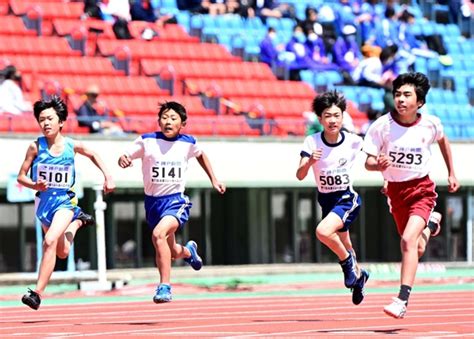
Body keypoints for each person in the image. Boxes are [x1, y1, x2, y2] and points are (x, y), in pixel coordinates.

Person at [363, 72, 460, 318]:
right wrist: (379, 165)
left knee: (406, 241)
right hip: (396, 193)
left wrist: (452, 173)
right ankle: (431, 224)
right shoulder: (381, 126)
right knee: (415, 248)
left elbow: (443, 141)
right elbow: (369, 162)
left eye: (407, 95)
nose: (401, 99)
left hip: (422, 190)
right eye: (397, 94)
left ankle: (402, 299)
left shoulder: (430, 124)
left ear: (420, 102)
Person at [117, 101, 226, 303]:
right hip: (153, 204)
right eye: (165, 117)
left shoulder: (188, 142)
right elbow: (126, 155)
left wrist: (214, 179)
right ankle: (189, 252)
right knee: (173, 250)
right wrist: (123, 159)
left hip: (176, 201)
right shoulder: (147, 141)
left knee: (158, 235)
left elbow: (202, 156)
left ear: (182, 123)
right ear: (159, 121)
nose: (168, 121)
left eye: (173, 118)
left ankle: (164, 286)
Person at [17, 96, 115, 310]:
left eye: (50, 118)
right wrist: (35, 185)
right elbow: (21, 177)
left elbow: (93, 154)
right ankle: (78, 222)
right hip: (44, 205)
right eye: (41, 119)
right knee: (62, 251)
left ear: (61, 121)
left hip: (65, 202)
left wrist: (108, 176)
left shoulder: (71, 145)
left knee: (49, 241)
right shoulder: (35, 147)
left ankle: (37, 293)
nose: (46, 123)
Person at [296, 90, 369, 306]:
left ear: (343, 117)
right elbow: (299, 175)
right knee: (345, 242)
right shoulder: (312, 141)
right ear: (320, 119)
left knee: (322, 231)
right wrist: (309, 162)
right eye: (327, 116)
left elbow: (373, 156)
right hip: (326, 200)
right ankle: (359, 277)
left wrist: (386, 176)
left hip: (347, 198)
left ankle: (347, 264)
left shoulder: (353, 141)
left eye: (337, 115)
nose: (333, 120)